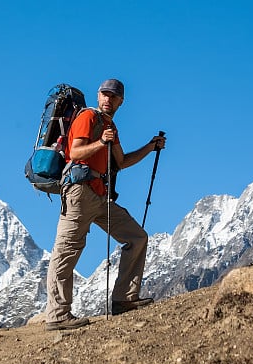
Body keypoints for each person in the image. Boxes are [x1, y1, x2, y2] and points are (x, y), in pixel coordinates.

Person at [45, 78, 167, 331]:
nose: (108, 99)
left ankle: (124, 299)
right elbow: (75, 153)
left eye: (114, 96)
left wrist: (150, 147)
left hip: (100, 196)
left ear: (121, 101)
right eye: (105, 94)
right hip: (78, 193)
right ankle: (57, 316)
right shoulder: (88, 118)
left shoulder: (110, 125)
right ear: (98, 95)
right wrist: (101, 142)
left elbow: (120, 161)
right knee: (66, 251)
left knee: (137, 237)